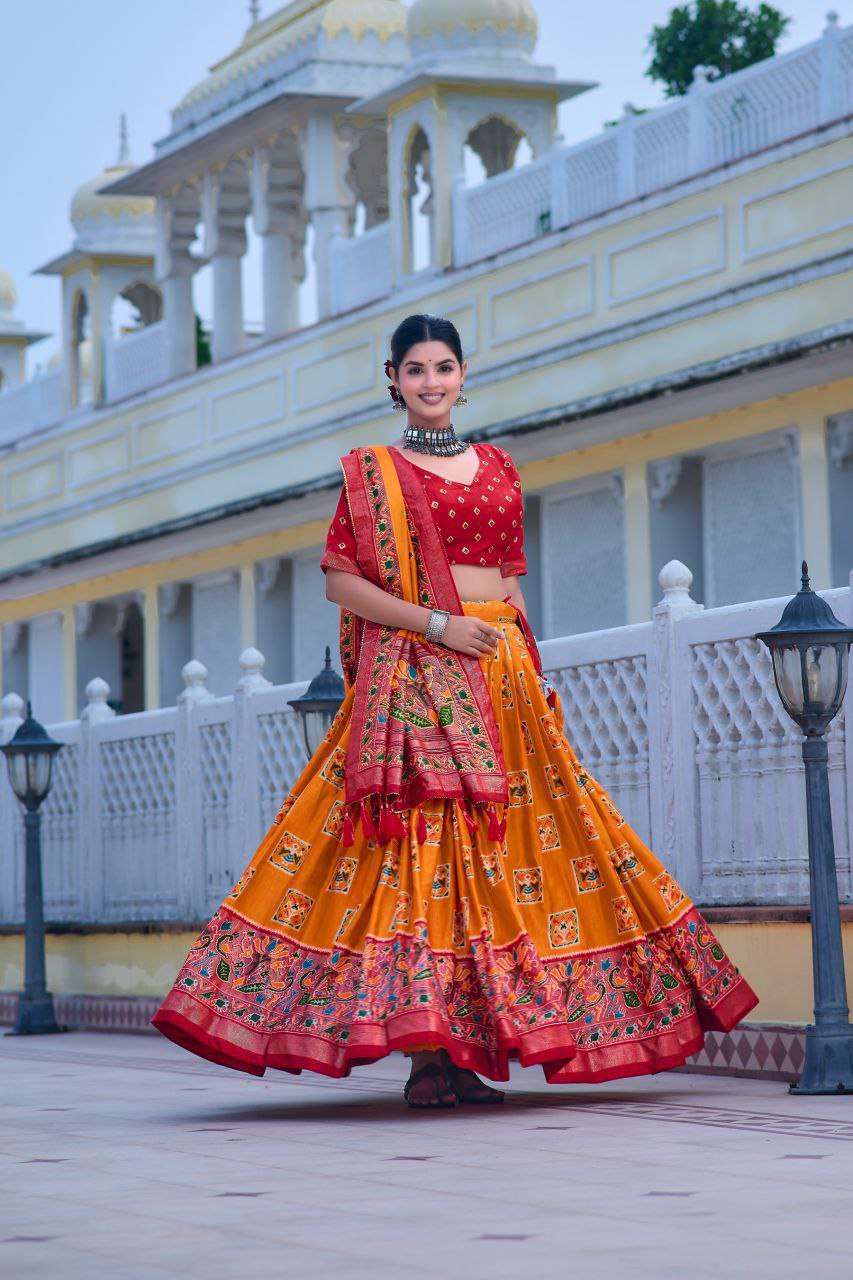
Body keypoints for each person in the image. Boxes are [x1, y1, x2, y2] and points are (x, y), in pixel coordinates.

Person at [152, 313, 758, 1108]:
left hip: (501, 679)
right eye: (415, 371)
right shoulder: (372, 473)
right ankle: (431, 1056)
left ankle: (494, 1033)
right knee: (423, 859)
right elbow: (341, 581)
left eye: (443, 368)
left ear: (463, 375)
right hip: (418, 674)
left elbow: (509, 579)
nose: (430, 382)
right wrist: (439, 626)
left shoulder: (501, 465)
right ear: (393, 381)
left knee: (526, 857)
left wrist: (523, 668)